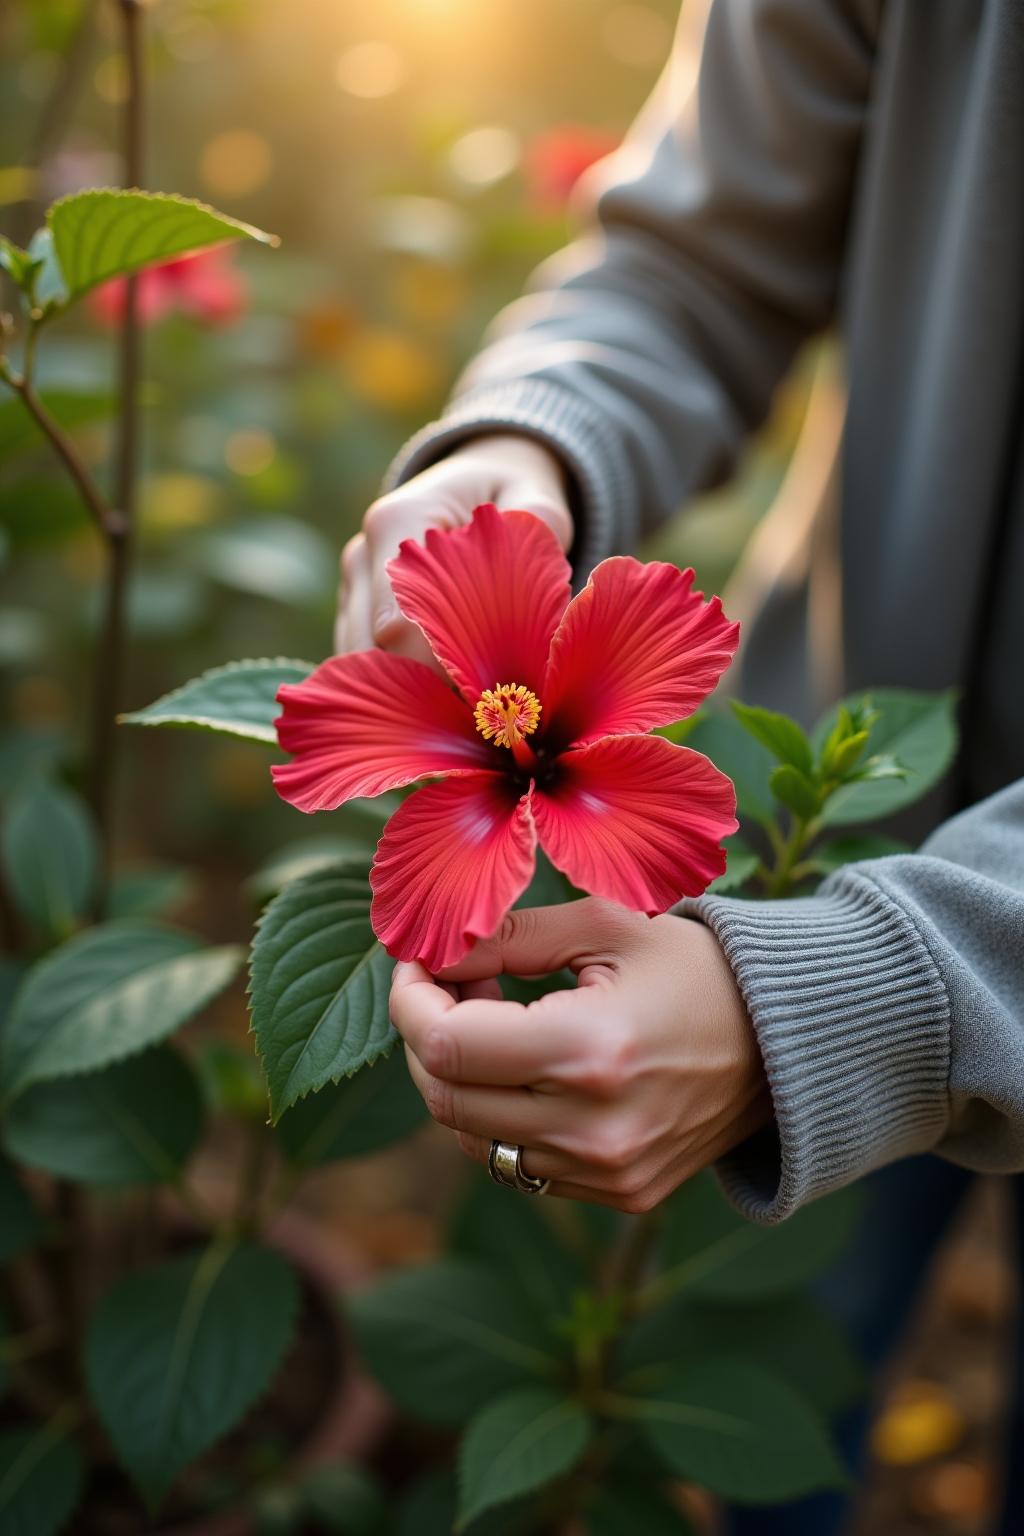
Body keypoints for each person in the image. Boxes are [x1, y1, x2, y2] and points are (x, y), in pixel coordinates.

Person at [335, 1, 1024, 1527]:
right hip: (831, 858)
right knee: (781, 1375)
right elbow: (694, 261)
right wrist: (523, 449)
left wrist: (851, 1000)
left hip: (827, 947)